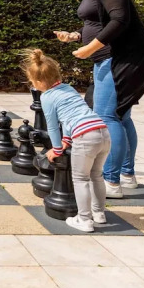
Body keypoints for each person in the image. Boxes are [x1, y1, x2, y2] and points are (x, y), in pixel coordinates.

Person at [54, 0, 144, 199]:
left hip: (123, 58)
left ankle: (111, 181)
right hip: (113, 57)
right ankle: (127, 175)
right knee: (121, 116)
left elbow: (120, 20)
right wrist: (76, 36)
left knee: (107, 117)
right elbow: (99, 24)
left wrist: (90, 48)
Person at [23, 49, 111, 232]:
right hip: (102, 131)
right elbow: (72, 116)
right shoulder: (68, 88)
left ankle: (84, 219)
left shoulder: (47, 97)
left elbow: (53, 126)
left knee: (80, 178)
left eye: (32, 81)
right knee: (96, 175)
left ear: (38, 82)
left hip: (85, 137)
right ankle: (99, 213)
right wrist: (67, 140)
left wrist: (56, 148)